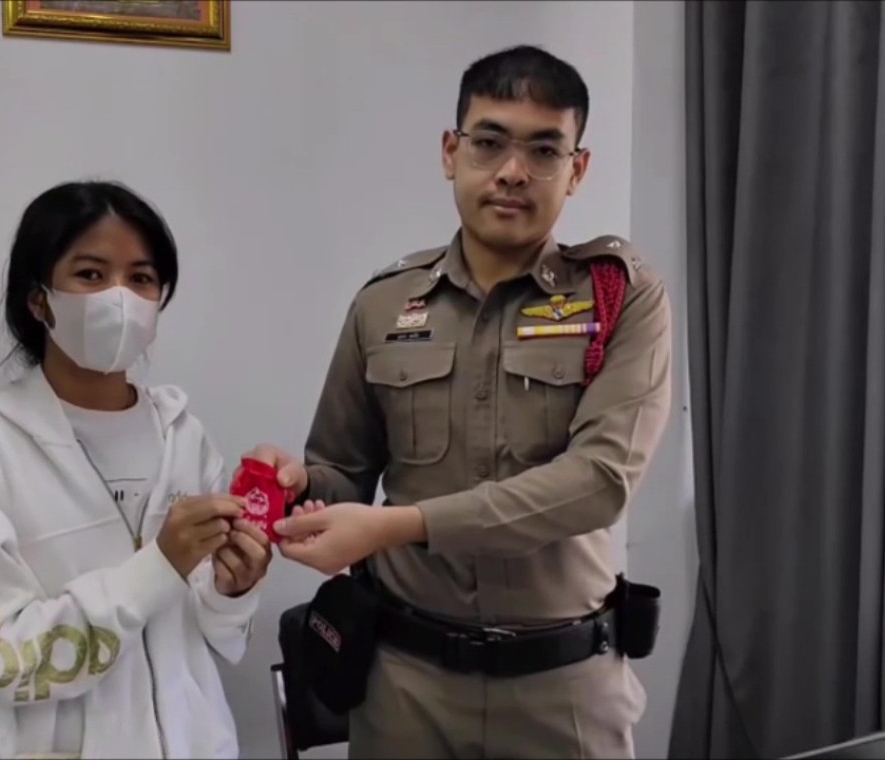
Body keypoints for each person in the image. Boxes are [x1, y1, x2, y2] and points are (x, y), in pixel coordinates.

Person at [246, 45, 672, 759]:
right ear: (451, 152)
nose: (513, 171)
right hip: (406, 688)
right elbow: (342, 473)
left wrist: (399, 526)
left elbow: (600, 482)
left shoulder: (618, 296)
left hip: (562, 688)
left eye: (544, 150)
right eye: (489, 142)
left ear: (578, 169)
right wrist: (294, 488)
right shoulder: (385, 303)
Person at [0, 181, 270, 760]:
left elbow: (211, 631)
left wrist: (234, 589)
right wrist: (156, 567)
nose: (120, 297)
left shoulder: (184, 436)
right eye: (90, 274)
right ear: (39, 300)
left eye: (141, 278)